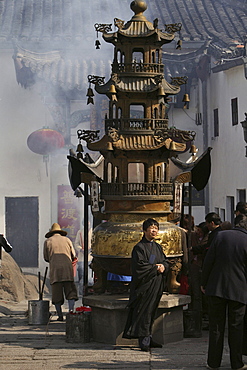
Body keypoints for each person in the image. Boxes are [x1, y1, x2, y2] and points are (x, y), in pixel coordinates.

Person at [201, 214, 247, 370]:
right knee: (236, 327)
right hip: (239, 290)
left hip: (217, 287)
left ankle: (213, 363)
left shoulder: (220, 236)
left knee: (216, 327)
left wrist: (204, 282)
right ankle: (236, 363)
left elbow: (208, 261)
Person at [122, 218, 170, 351]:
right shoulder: (139, 247)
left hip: (156, 284)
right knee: (144, 312)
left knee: (151, 311)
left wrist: (163, 267)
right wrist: (155, 268)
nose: (154, 230)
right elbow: (139, 267)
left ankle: (148, 336)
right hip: (145, 286)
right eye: (151, 228)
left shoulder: (157, 247)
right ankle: (143, 340)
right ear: (144, 230)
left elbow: (165, 261)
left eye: (156, 228)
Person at [43, 223, 78, 321]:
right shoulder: (67, 240)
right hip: (67, 270)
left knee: (57, 295)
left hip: (55, 272)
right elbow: (73, 255)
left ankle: (60, 316)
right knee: (70, 292)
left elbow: (46, 258)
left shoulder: (47, 241)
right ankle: (71, 313)